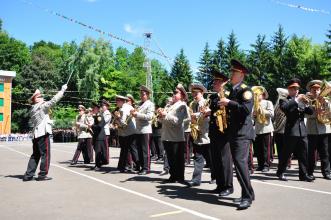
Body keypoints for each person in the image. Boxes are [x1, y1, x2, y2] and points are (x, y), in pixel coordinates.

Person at [219, 59, 255, 209]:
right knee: (239, 164)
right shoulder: (233, 90)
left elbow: (246, 110)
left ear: (241, 74)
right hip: (234, 132)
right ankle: (249, 194)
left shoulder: (245, 90)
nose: (231, 74)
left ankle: (247, 197)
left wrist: (229, 103)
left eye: (234, 72)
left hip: (242, 133)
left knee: (240, 165)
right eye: (232, 71)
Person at [23, 84, 67, 181]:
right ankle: (42, 174)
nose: (42, 97)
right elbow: (53, 101)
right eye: (39, 96)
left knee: (35, 155)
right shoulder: (41, 106)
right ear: (35, 99)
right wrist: (62, 90)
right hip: (43, 133)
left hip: (36, 135)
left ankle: (28, 175)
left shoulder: (32, 108)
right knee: (45, 154)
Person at [276, 78, 314, 182]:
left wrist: (306, 103)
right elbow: (286, 108)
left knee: (303, 154)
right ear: (289, 89)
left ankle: (303, 174)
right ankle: (281, 172)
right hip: (291, 130)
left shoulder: (301, 100)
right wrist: (297, 100)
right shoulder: (284, 100)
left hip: (302, 130)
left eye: (297, 88)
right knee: (286, 153)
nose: (296, 90)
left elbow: (310, 112)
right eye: (293, 88)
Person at [207, 70, 233, 195]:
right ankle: (220, 184)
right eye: (214, 81)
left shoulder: (228, 95)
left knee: (225, 160)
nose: (214, 83)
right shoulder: (213, 97)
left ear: (223, 83)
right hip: (214, 132)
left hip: (224, 132)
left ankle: (228, 186)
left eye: (217, 82)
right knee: (216, 160)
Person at [158, 84, 189, 184]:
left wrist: (165, 115)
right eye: (173, 93)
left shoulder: (182, 106)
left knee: (178, 159)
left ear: (182, 95)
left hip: (176, 137)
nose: (173, 94)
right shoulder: (170, 105)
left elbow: (177, 121)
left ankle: (180, 177)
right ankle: (173, 176)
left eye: (176, 93)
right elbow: (164, 120)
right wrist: (161, 116)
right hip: (167, 135)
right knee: (171, 158)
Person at [186, 83, 213, 187]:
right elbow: (189, 117)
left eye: (196, 93)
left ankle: (215, 177)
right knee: (197, 158)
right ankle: (196, 180)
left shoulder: (207, 102)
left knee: (210, 159)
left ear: (201, 93)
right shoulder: (192, 104)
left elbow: (211, 117)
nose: (194, 95)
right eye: (193, 93)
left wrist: (197, 115)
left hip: (206, 134)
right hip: (197, 135)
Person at [305, 80, 331, 180]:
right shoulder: (307, 100)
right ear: (311, 90)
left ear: (321, 90)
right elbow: (305, 114)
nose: (316, 91)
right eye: (313, 89)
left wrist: (327, 105)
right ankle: (310, 172)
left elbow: (330, 113)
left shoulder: (326, 100)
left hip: (324, 130)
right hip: (311, 130)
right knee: (311, 153)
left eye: (318, 89)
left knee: (325, 153)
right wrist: (316, 112)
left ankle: (326, 172)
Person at [131, 86, 155, 175]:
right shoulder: (140, 104)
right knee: (140, 150)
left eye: (143, 94)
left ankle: (146, 168)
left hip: (145, 130)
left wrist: (137, 114)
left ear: (148, 95)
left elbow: (149, 117)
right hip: (138, 130)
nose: (141, 96)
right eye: (141, 94)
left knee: (145, 150)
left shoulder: (150, 104)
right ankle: (141, 167)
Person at [252, 86, 274, 172]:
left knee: (266, 148)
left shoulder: (268, 102)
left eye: (258, 94)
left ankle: (266, 165)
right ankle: (260, 164)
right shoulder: (254, 104)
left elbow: (272, 114)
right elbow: (252, 117)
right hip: (257, 128)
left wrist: (262, 111)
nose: (256, 96)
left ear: (263, 95)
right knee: (258, 149)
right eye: (255, 95)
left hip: (266, 128)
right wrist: (253, 115)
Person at [114, 95, 137, 173]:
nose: (116, 102)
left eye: (117, 101)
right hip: (127, 132)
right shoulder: (125, 107)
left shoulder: (124, 109)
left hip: (128, 132)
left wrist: (117, 119)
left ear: (121, 101)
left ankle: (137, 165)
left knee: (130, 150)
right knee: (127, 150)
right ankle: (124, 166)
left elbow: (123, 123)